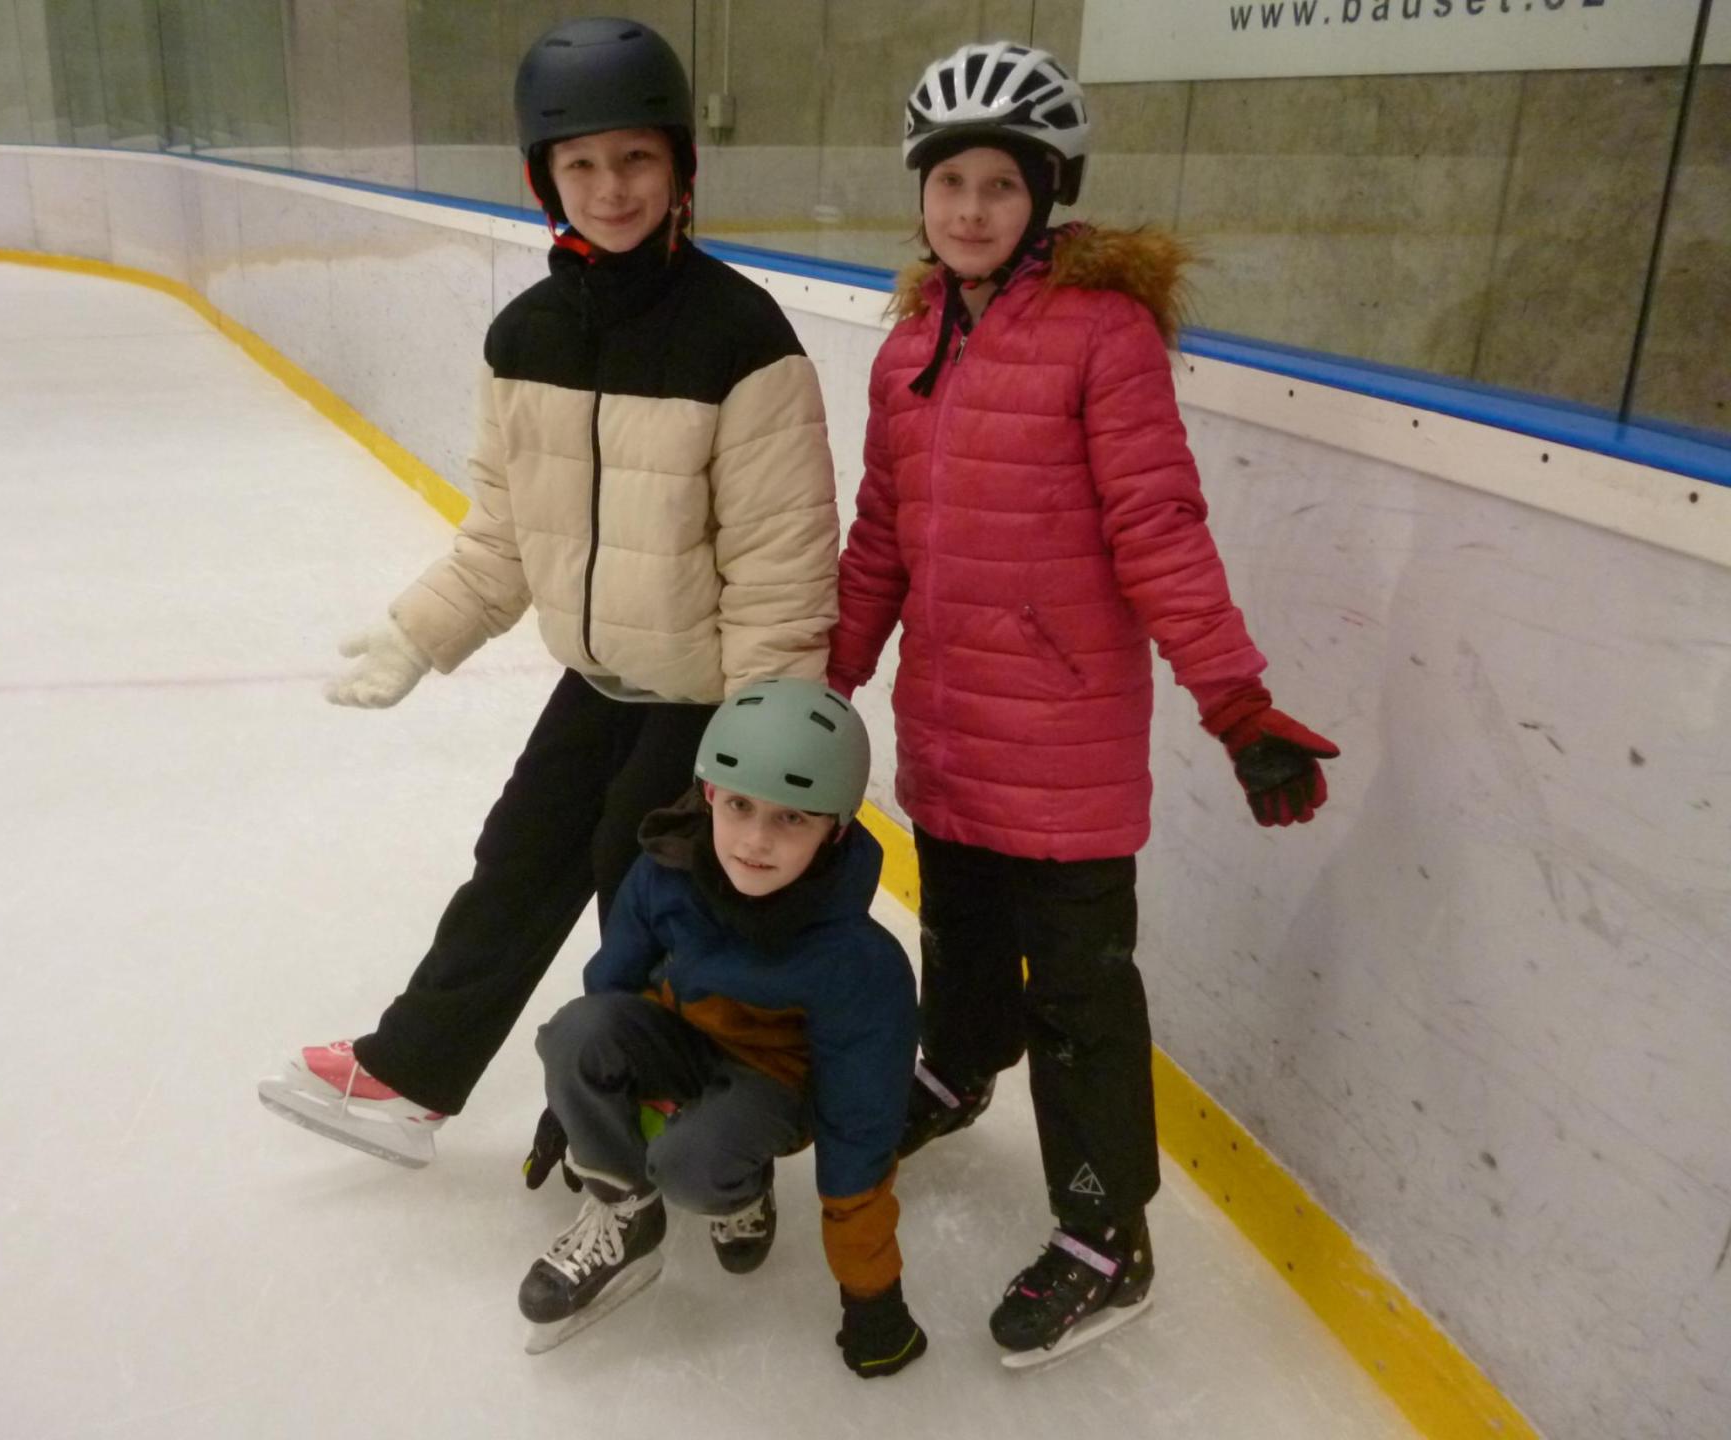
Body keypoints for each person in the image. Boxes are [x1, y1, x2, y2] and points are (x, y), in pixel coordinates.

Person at [827, 41, 1340, 1369]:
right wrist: (824, 680)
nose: (972, 209)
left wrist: (1238, 706)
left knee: (1079, 998)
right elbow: (881, 534)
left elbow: (1159, 528)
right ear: (920, 193)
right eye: (951, 182)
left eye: (1002, 184)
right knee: (957, 929)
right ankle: (955, 1067)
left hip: (1063, 742)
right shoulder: (908, 346)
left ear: (1048, 193)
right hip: (950, 727)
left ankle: (1111, 1237)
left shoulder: (1103, 337)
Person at [258, 17, 839, 1169]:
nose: (611, 188)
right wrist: (418, 633)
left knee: (648, 891)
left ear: (679, 167)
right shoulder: (525, 336)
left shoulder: (742, 339)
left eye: (636, 158)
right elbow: (506, 538)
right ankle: (414, 1073)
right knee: (516, 858)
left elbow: (783, 567)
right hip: (600, 679)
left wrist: (762, 745)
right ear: (544, 178)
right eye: (582, 164)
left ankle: (656, 1110)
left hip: (706, 698)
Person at [515, 678, 927, 1377]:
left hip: (773, 1083)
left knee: (693, 1164)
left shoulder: (858, 964)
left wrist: (872, 1293)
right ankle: (626, 1208)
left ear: (836, 828)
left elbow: (861, 1125)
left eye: (792, 818)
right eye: (739, 805)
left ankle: (740, 1189)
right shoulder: (666, 873)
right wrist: (572, 1107)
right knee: (572, 1034)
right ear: (708, 794)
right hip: (680, 1040)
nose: (756, 841)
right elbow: (610, 993)